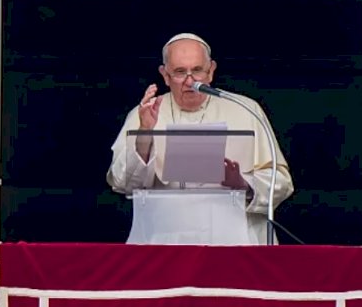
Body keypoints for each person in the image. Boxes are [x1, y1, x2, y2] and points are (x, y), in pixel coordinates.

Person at [106, 32, 294, 244]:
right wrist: (145, 133)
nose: (190, 81)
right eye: (179, 72)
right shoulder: (145, 113)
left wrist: (243, 183)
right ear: (165, 75)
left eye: (197, 70)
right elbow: (125, 183)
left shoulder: (246, 110)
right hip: (165, 240)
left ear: (211, 71)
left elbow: (282, 183)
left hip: (233, 241)